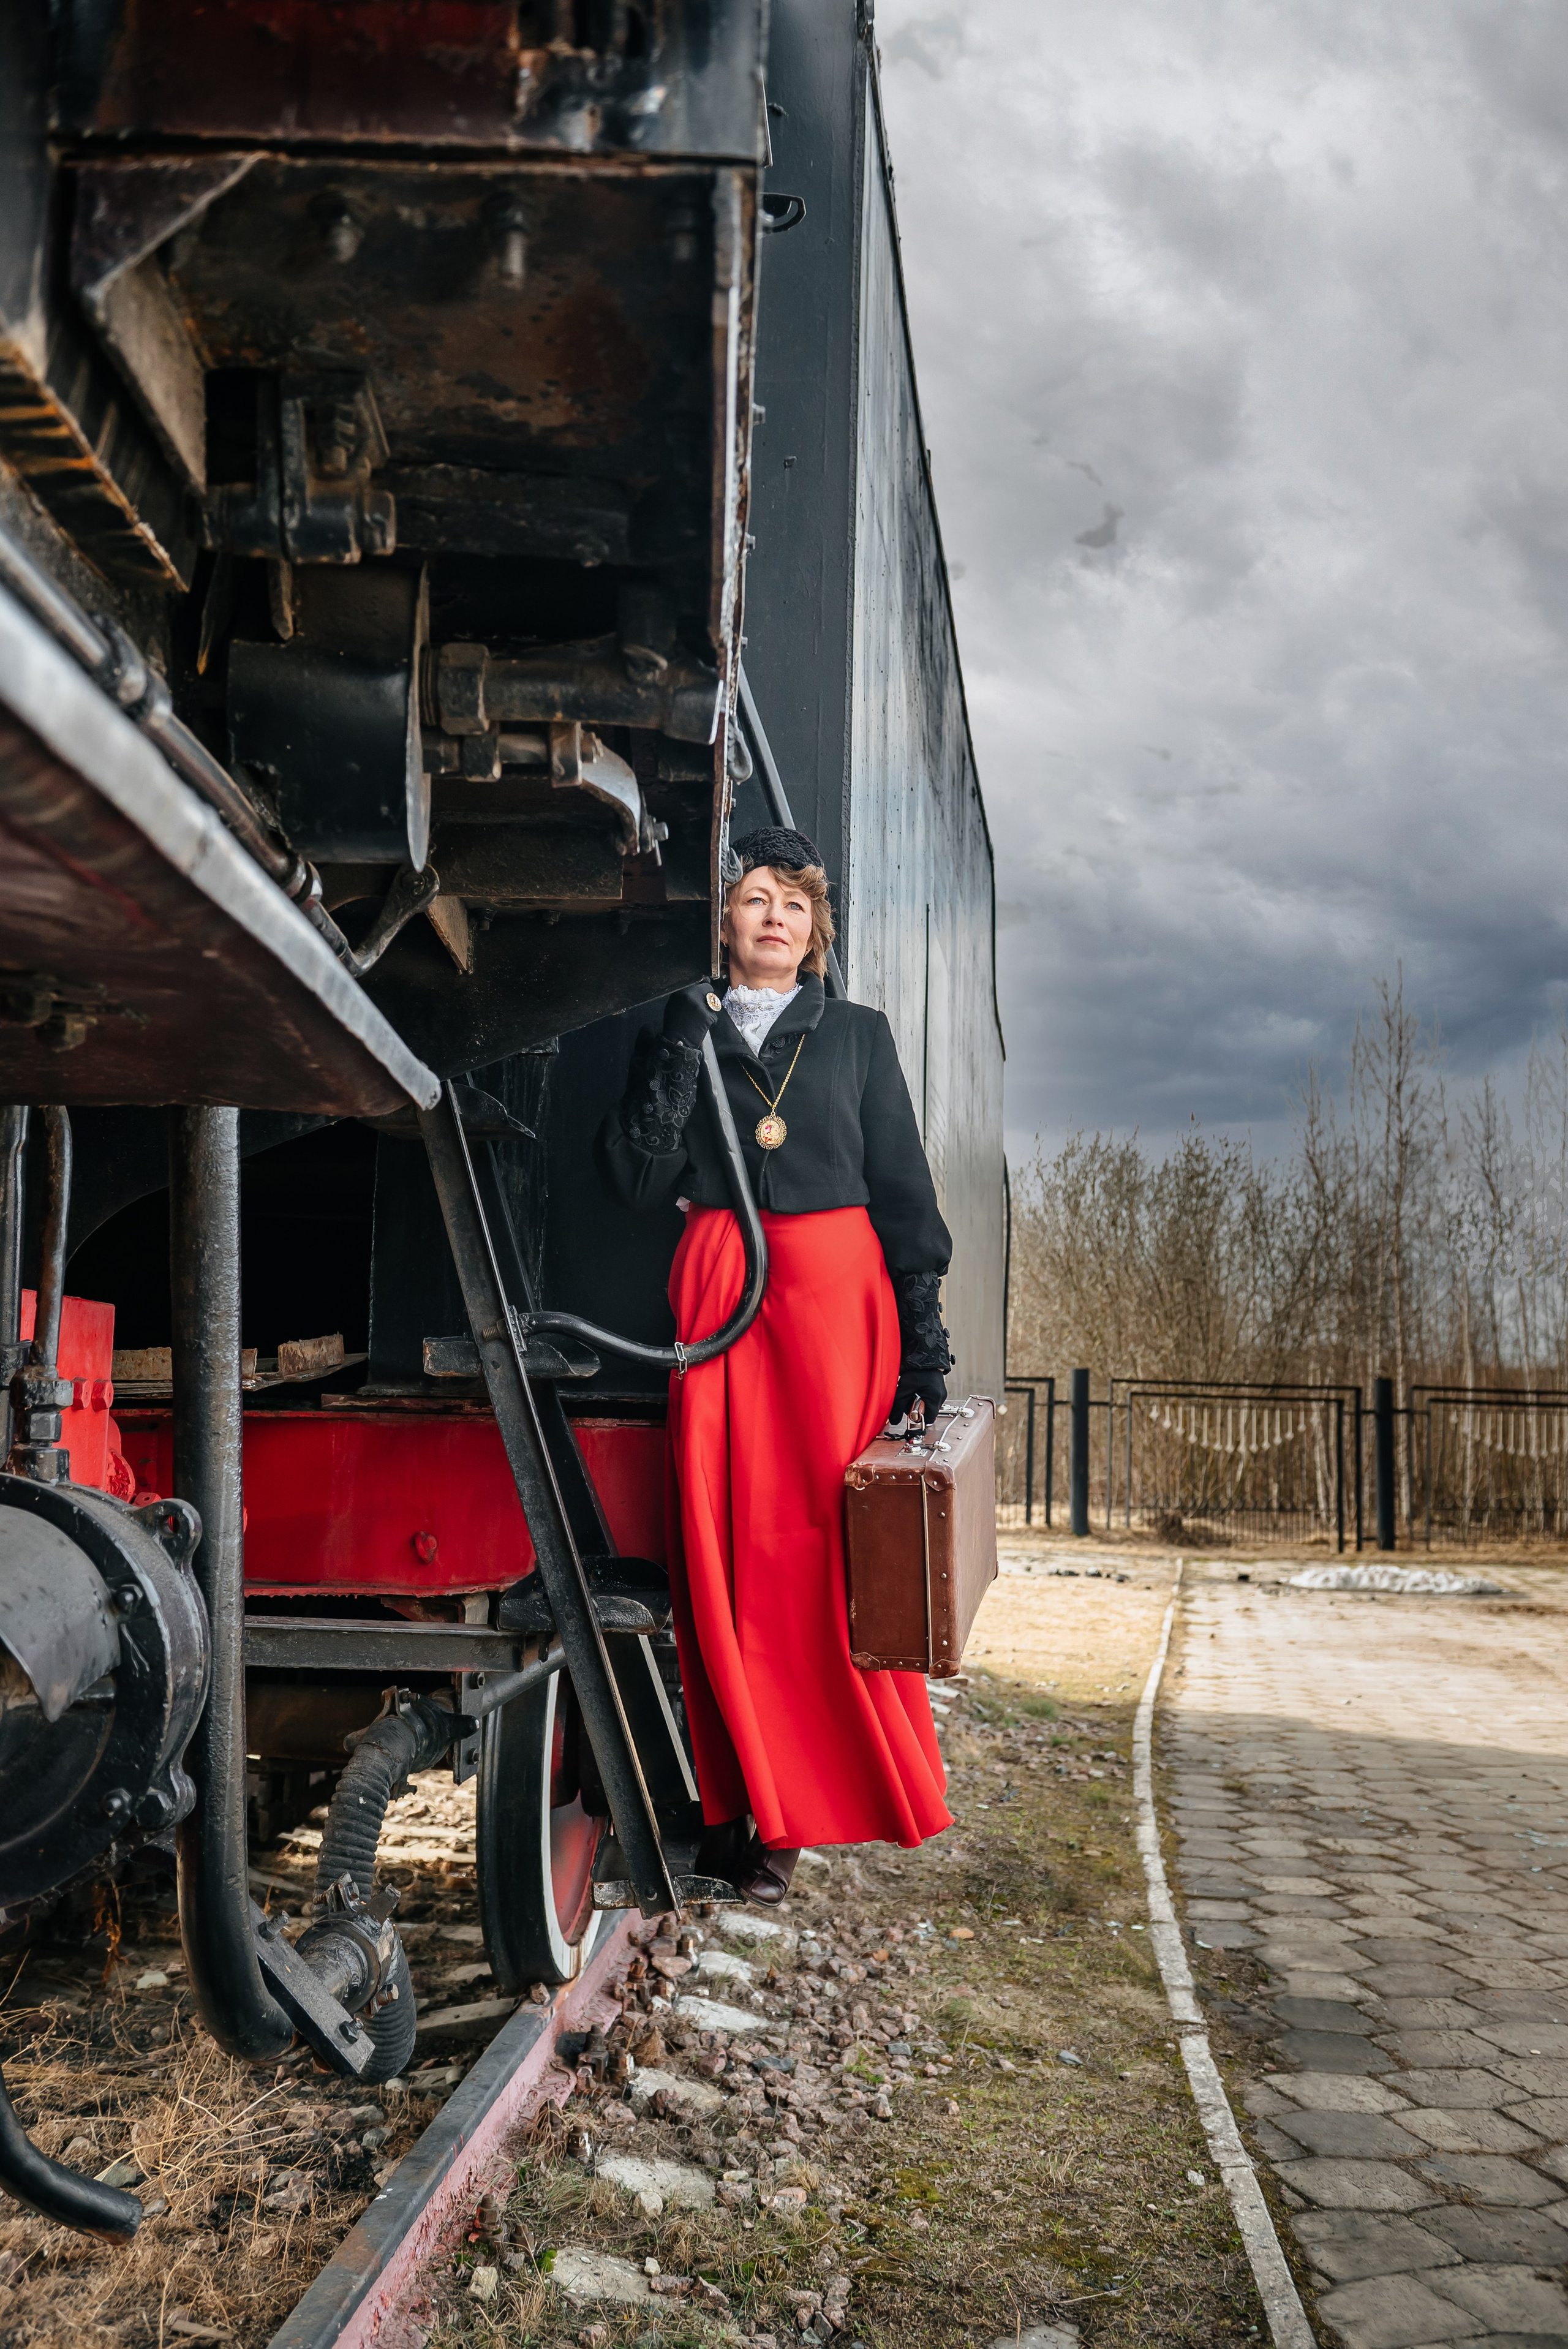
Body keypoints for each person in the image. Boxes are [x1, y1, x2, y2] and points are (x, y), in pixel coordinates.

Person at [598, 826, 954, 1901]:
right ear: (724, 920)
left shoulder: (855, 1033)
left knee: (807, 1549)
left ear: (816, 929)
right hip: (720, 1286)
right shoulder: (681, 1024)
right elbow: (631, 1176)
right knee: (715, 1549)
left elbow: (902, 1188)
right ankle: (731, 1799)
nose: (774, 918)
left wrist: (923, 1335)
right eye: (755, 898)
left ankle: (788, 1813)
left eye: (794, 904)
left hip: (835, 1300)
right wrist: (676, 1046)